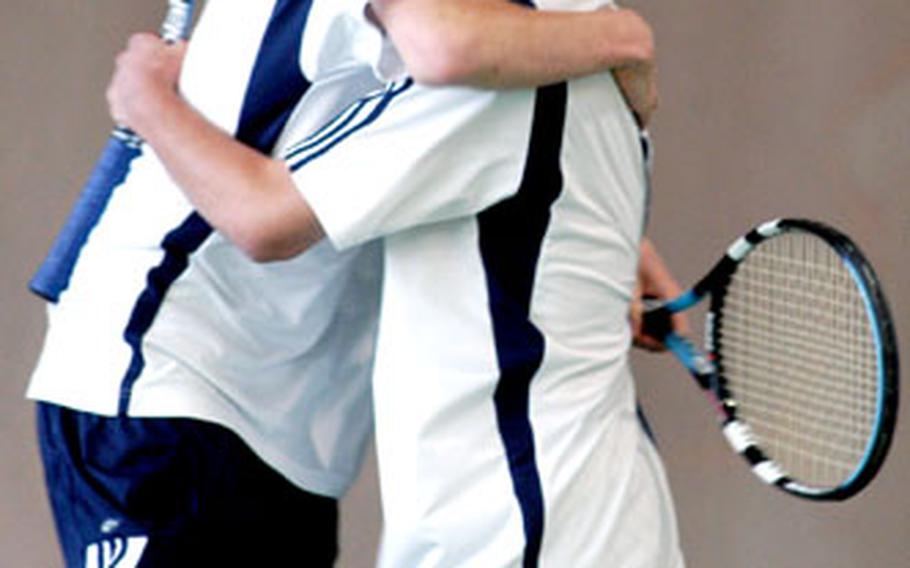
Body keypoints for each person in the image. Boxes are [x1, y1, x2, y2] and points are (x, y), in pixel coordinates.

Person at [28, 0, 667, 566]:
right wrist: (624, 34)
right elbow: (447, 50)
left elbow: (460, 120)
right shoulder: (489, 35)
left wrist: (585, 232)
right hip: (169, 373)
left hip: (286, 411)